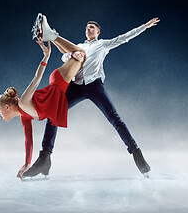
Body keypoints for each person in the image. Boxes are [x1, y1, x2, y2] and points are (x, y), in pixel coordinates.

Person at [23, 14, 160, 178]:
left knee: (114, 118)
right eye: (87, 27)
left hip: (94, 86)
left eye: (92, 27)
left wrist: (144, 26)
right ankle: (45, 158)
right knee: (53, 114)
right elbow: (65, 54)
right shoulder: (79, 46)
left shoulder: (102, 44)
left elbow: (124, 38)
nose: (88, 29)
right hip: (76, 86)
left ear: (98, 32)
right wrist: (65, 51)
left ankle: (137, 154)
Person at [0, 13, 86, 178]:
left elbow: (36, 79)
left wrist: (46, 56)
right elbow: (28, 142)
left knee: (81, 53)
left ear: (7, 106)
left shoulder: (23, 102)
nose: (0, 116)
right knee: (79, 53)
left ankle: (51, 35)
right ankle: (56, 40)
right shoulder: (24, 117)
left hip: (58, 82)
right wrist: (26, 165)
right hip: (59, 86)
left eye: (0, 112)